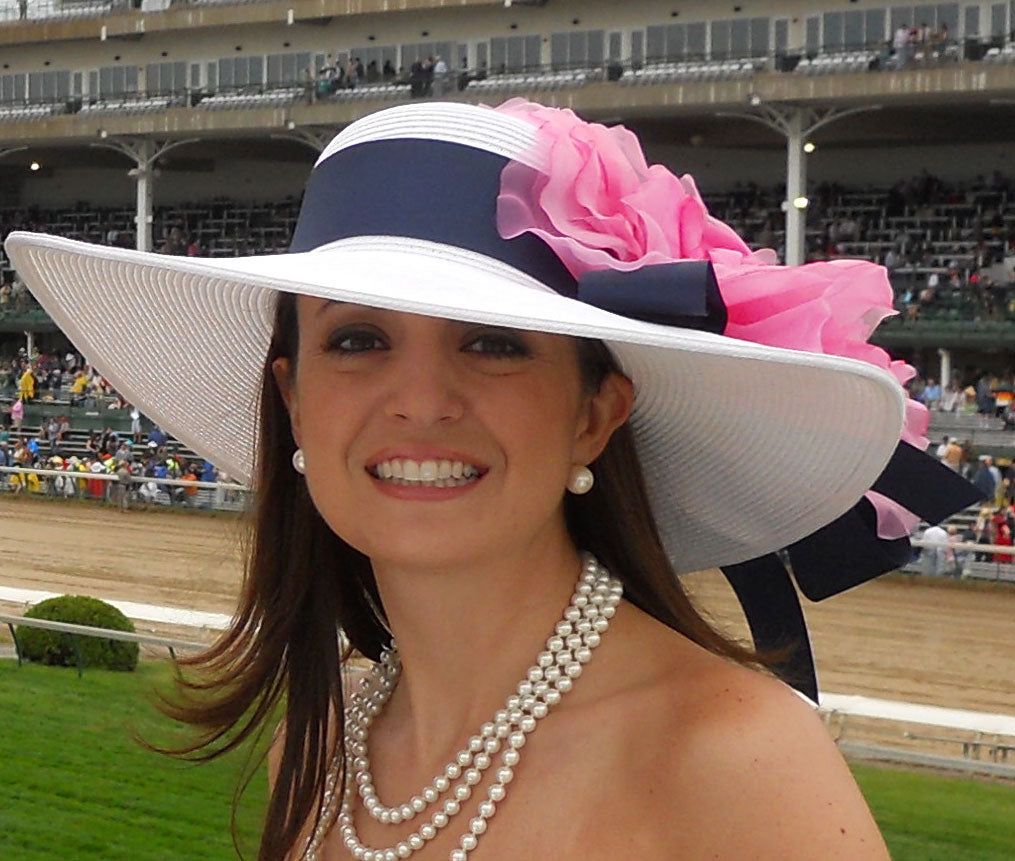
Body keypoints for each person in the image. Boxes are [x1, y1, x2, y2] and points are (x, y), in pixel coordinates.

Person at [5, 100, 980, 861]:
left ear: (594, 413)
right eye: (357, 340)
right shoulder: (316, 743)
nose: (420, 400)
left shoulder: (733, 759)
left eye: (494, 344)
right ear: (295, 401)